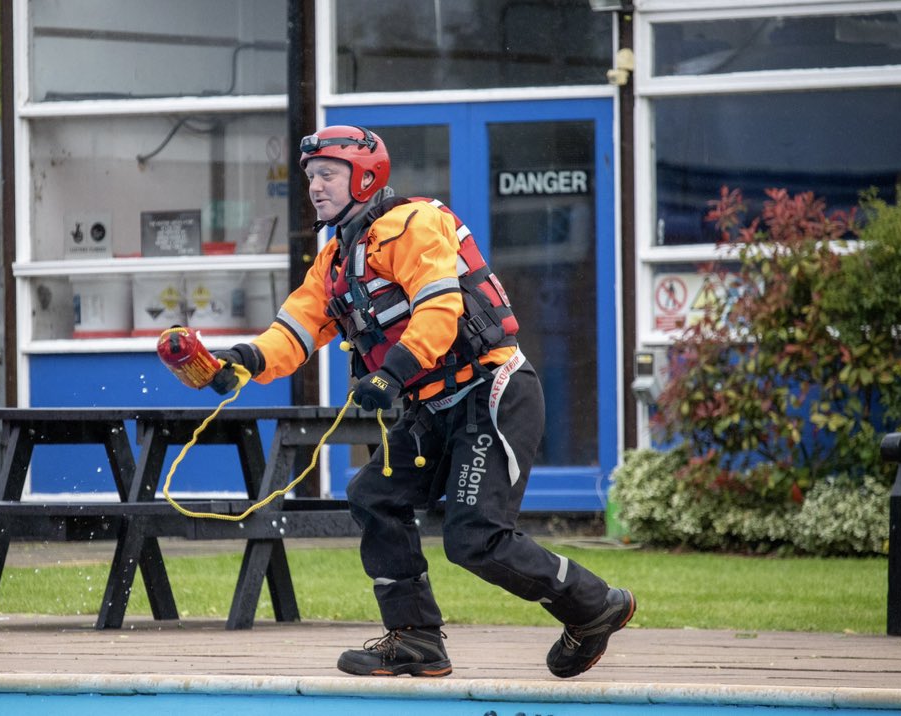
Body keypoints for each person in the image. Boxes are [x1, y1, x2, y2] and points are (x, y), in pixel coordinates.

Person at [210, 125, 635, 678]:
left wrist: (390, 374)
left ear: (365, 178)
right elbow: (292, 333)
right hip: (433, 406)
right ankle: (415, 639)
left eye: (328, 175)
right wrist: (240, 360)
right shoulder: (333, 261)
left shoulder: (414, 224)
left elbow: (440, 309)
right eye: (311, 176)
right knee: (373, 495)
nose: (315, 187)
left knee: (474, 537)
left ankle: (593, 604)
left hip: (491, 392)